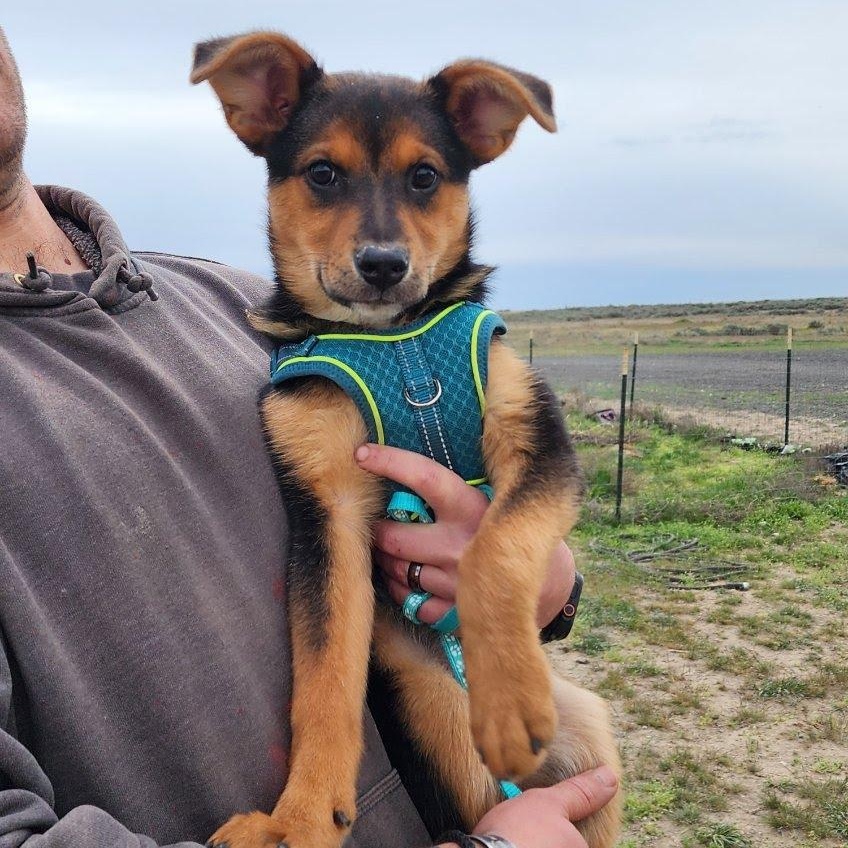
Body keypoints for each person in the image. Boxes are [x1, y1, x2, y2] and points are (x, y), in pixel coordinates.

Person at [0, 26, 617, 848]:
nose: (380, 238)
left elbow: (542, 474)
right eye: (325, 177)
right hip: (439, 796)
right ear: (257, 112)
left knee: (587, 733)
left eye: (423, 180)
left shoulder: (238, 309)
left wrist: (540, 583)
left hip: (495, 724)